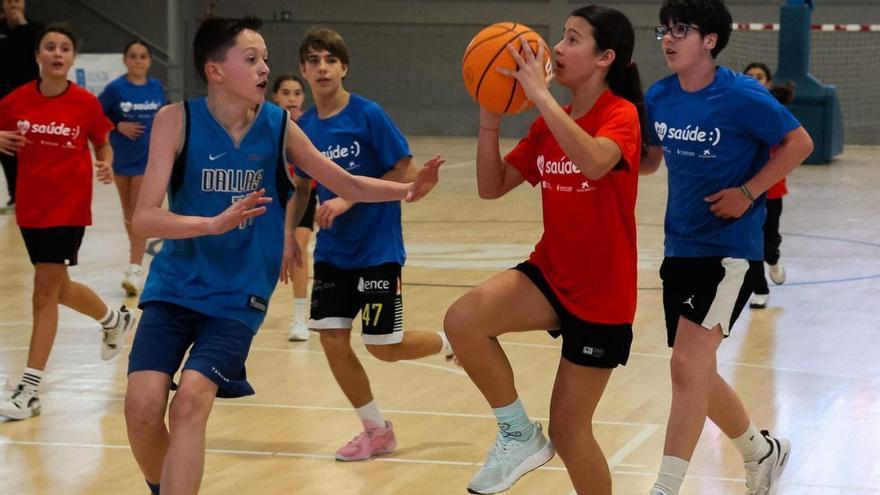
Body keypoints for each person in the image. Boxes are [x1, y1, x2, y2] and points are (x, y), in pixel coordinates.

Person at [122, 17, 442, 495]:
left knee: (189, 401)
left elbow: (347, 182)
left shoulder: (278, 126)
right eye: (251, 59)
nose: (264, 68)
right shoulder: (176, 121)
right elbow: (144, 217)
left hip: (237, 296)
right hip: (174, 285)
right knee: (141, 409)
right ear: (215, 71)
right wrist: (211, 224)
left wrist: (409, 189)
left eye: (265, 59)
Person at [443, 6, 645, 494]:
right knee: (463, 321)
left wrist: (539, 96)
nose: (556, 49)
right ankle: (517, 434)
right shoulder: (546, 126)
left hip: (603, 296)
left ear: (605, 57)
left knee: (571, 433)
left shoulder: (621, 114)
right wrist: (490, 117)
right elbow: (491, 187)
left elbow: (596, 162)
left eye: (573, 40)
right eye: (562, 38)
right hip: (551, 273)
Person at [640, 1, 813, 494]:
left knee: (685, 366)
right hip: (679, 247)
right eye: (664, 31)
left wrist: (748, 191)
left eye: (681, 31)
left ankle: (666, 487)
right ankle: (762, 452)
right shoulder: (661, 95)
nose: (669, 40)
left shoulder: (741, 95)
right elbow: (650, 161)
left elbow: (797, 143)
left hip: (728, 252)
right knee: (696, 369)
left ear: (710, 40)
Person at [290, 28, 454, 463]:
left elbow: (406, 170)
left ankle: (448, 342)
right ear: (304, 70)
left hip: (378, 248)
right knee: (331, 339)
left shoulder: (368, 115)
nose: (322, 67)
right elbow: (303, 190)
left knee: (383, 347)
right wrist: (292, 237)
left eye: (330, 59)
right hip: (332, 253)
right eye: (313, 60)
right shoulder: (302, 129)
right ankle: (375, 429)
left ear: (343, 67)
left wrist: (349, 195)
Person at [0, 24, 135, 420]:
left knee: (44, 292)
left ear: (72, 58)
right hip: (30, 208)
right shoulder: (15, 101)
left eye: (65, 48)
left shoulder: (85, 104)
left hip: (69, 207)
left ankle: (28, 390)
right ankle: (114, 320)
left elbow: (103, 142)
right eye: (50, 47)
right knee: (58, 287)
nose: (58, 53)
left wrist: (106, 165)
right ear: (39, 56)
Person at [98, 40, 168, 296]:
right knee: (129, 215)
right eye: (133, 56)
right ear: (125, 60)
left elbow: (167, 117)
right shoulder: (116, 89)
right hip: (121, 159)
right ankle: (135, 260)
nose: (138, 60)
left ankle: (135, 268)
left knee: (139, 215)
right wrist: (118, 125)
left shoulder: (156, 88)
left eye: (143, 56)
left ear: (149, 61)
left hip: (148, 161)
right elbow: (95, 114)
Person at [742, 62, 795, 309]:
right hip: (743, 190)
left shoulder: (776, 111)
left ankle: (773, 259)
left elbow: (794, 145)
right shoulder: (734, 109)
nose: (754, 79)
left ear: (768, 83)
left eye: (759, 76)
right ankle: (759, 289)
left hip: (771, 190)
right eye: (749, 76)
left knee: (767, 243)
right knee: (749, 243)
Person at [270, 73, 315, 341]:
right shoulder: (264, 123)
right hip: (270, 195)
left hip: (301, 195)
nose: (291, 98)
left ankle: (299, 318)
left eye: (297, 93)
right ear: (275, 96)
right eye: (285, 92)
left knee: (300, 247)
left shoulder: (308, 125)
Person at [0, 0, 43, 213]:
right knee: (7, 148)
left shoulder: (35, 29)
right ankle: (15, 196)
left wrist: (23, 25)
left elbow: (38, 53)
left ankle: (33, 193)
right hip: (3, 101)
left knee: (31, 147)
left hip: (30, 101)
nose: (13, 4)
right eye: (9, 1)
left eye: (17, 0)